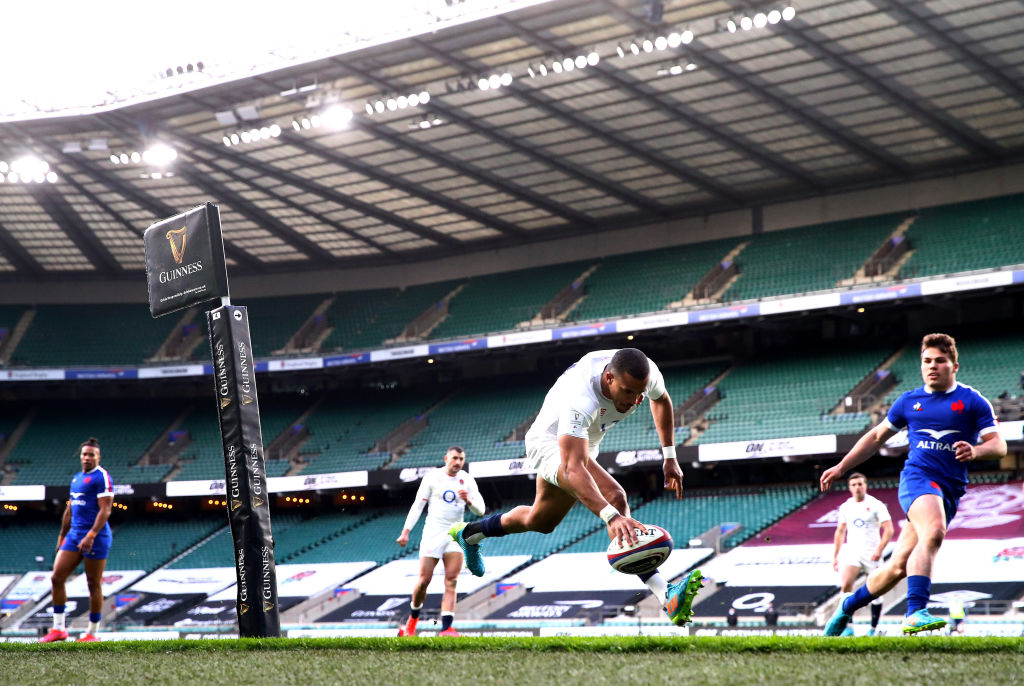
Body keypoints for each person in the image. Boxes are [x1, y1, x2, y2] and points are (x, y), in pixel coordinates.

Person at [448, 348, 704, 626]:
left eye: (639, 393)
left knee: (541, 520)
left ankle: (470, 533)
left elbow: (661, 400)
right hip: (548, 442)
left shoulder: (644, 373)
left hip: (585, 440)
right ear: (608, 378)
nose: (636, 400)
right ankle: (666, 595)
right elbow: (573, 468)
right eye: (629, 392)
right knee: (616, 498)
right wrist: (611, 516)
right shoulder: (580, 396)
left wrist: (669, 457)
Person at [821, 333, 1007, 636]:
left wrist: (976, 450)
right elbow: (875, 437)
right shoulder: (909, 401)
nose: (932, 366)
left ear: (954, 365)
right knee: (933, 532)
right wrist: (843, 466)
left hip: (950, 489)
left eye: (939, 361)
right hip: (918, 479)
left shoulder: (973, 401)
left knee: (896, 567)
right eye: (926, 361)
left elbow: (999, 446)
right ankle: (915, 611)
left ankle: (845, 608)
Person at [395, 446, 484, 637]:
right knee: (423, 581)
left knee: (451, 581)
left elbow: (481, 510)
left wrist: (469, 501)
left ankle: (446, 628)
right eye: (455, 458)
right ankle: (412, 622)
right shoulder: (432, 477)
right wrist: (406, 531)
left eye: (461, 459)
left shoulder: (467, 480)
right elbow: (418, 504)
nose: (458, 462)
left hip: (454, 534)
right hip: (433, 534)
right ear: (446, 458)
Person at [39, 438, 114, 643]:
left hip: (96, 537)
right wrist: (62, 534)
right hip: (73, 535)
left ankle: (92, 633)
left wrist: (91, 535)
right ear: (80, 457)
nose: (87, 457)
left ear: (98, 457)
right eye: (84, 454)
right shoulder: (76, 478)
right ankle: (59, 629)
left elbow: (105, 509)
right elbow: (70, 509)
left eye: (91, 454)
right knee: (56, 578)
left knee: (93, 583)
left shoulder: (102, 477)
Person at [832, 472, 893, 636]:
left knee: (876, 590)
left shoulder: (876, 505)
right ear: (849, 487)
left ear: (865, 485)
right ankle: (848, 627)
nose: (857, 487)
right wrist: (835, 556)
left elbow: (889, 529)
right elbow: (840, 531)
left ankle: (873, 629)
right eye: (854, 485)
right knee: (845, 587)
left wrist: (879, 550)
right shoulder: (846, 506)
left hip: (872, 554)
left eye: (860, 484)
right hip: (853, 552)